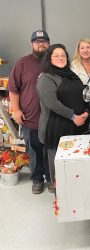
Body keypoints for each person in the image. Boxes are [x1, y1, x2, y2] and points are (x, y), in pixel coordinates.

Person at [37, 44, 89, 192]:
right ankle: (60, 197)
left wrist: (86, 112)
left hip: (78, 126)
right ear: (49, 59)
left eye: (63, 55)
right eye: (56, 55)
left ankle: (76, 193)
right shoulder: (46, 78)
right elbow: (52, 103)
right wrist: (73, 116)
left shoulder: (71, 75)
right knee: (58, 169)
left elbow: (83, 94)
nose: (60, 58)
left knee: (76, 167)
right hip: (56, 129)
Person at [7, 30, 51, 194]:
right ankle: (37, 179)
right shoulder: (22, 63)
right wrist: (16, 110)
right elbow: (13, 89)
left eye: (44, 41)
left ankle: (51, 178)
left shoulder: (55, 61)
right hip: (30, 118)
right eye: (37, 41)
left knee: (50, 150)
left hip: (51, 118)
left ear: (49, 43)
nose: (41, 44)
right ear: (32, 44)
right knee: (34, 151)